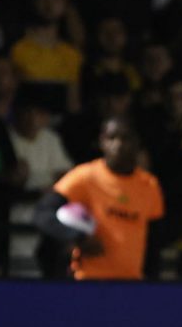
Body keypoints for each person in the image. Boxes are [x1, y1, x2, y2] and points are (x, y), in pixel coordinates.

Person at [34, 116, 164, 280]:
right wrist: (78, 237)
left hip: (131, 282)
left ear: (137, 143)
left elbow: (153, 241)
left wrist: (152, 282)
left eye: (125, 138)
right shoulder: (85, 177)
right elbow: (43, 213)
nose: (118, 145)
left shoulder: (149, 185)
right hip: (89, 279)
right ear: (102, 141)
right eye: (111, 138)